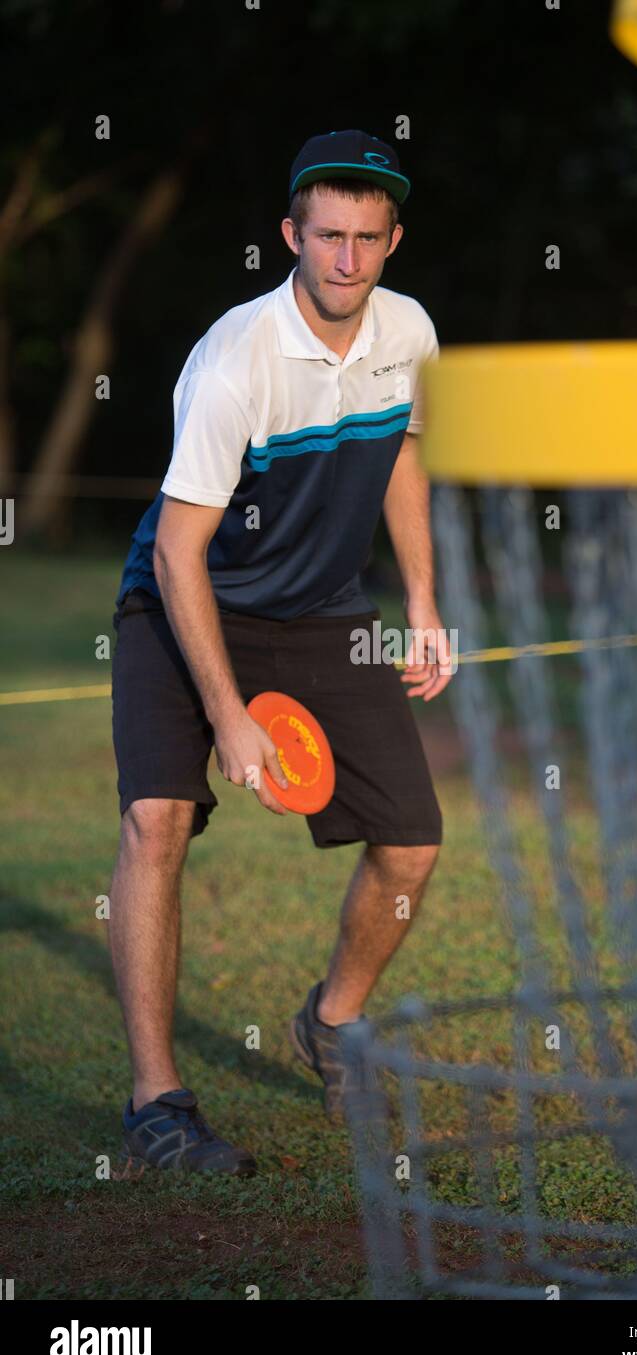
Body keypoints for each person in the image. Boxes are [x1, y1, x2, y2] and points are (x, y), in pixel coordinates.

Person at [109, 129, 452, 1176]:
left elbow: (402, 455)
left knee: (413, 844)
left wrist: (426, 601)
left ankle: (331, 1023)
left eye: (367, 238)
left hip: (322, 612)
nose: (347, 259)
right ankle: (156, 1102)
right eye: (328, 236)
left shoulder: (410, 333)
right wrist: (227, 715)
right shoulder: (234, 361)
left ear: (393, 242)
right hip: (186, 601)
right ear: (291, 237)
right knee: (158, 820)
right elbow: (177, 547)